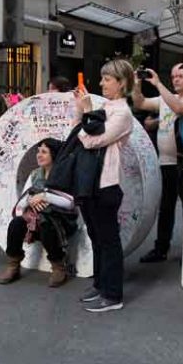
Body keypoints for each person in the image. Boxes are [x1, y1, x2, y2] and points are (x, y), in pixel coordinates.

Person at [74, 59, 134, 313]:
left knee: (108, 240)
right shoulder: (105, 107)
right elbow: (77, 132)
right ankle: (100, 284)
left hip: (107, 183)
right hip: (89, 181)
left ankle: (113, 294)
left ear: (121, 83)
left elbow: (91, 140)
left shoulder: (122, 113)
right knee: (96, 236)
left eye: (107, 79)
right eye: (102, 78)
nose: (101, 83)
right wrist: (82, 113)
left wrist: (86, 114)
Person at [132, 63, 183, 263]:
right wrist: (136, 85)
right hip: (166, 162)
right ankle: (161, 248)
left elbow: (179, 108)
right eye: (173, 76)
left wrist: (158, 84)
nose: (175, 79)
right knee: (166, 206)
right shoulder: (164, 99)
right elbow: (140, 104)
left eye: (180, 76)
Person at [0, 138, 78, 287]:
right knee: (16, 224)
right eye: (38, 151)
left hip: (60, 222)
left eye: (44, 152)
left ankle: (58, 266)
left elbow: (71, 202)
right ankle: (13, 265)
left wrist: (46, 196)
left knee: (48, 225)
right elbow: (23, 201)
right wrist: (32, 201)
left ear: (54, 155)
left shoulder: (63, 175)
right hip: (35, 220)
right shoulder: (35, 174)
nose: (39, 155)